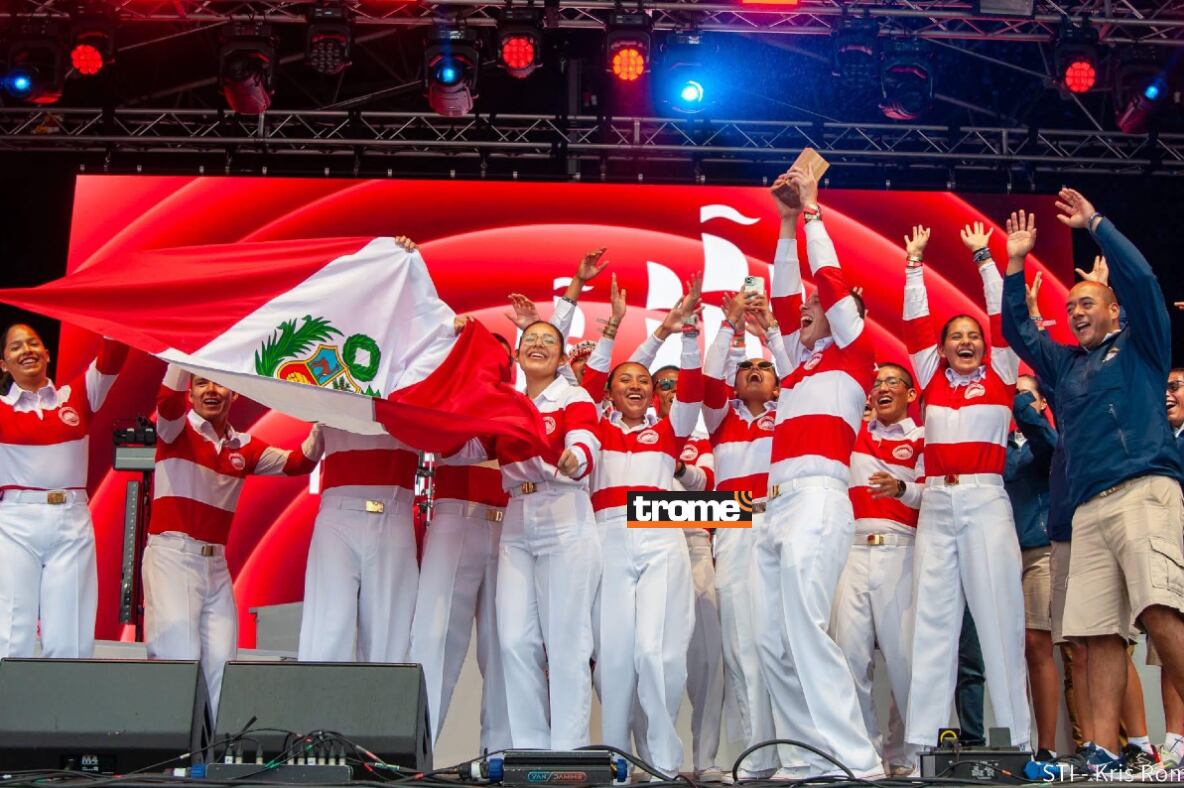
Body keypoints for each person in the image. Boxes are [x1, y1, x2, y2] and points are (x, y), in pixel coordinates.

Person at [1001, 190, 1184, 774]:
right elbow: (1019, 332)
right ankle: (1102, 753)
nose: (1076, 311)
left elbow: (1144, 280)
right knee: (1095, 635)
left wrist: (1097, 225)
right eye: (1071, 306)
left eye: (1087, 303)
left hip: (1142, 491)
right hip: (1085, 510)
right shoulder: (1067, 365)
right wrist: (1012, 264)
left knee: (1159, 611)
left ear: (1114, 312)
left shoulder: (1143, 347)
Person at [760, 165, 882, 779]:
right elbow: (786, 294)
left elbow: (829, 283)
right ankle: (804, 758)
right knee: (770, 641)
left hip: (818, 498)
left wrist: (811, 209)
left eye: (819, 306)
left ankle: (857, 763)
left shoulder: (857, 354)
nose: (806, 307)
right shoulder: (799, 364)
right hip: (774, 505)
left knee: (806, 629)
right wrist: (784, 224)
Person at [901, 221, 1030, 752]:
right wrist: (913, 266)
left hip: (984, 500)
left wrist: (984, 258)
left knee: (999, 615)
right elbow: (914, 323)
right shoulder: (929, 377)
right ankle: (926, 743)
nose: (966, 342)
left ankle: (1018, 740)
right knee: (933, 619)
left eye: (972, 336)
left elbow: (1002, 319)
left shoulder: (1001, 369)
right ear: (943, 348)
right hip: (935, 502)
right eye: (956, 337)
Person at [446, 319, 602, 750]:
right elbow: (468, 449)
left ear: (561, 355)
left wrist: (576, 457)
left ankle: (567, 751)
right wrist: (427, 423)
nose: (537, 345)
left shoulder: (574, 396)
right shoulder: (507, 405)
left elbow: (587, 439)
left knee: (567, 640)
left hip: (564, 510)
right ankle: (531, 750)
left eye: (548, 341)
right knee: (514, 640)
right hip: (517, 516)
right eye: (529, 340)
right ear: (516, 355)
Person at [146, 365, 322, 719]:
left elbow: (300, 462)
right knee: (179, 658)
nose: (211, 390)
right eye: (200, 383)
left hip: (215, 566)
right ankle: (172, 760)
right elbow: (166, 400)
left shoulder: (244, 446)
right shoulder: (174, 429)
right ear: (191, 393)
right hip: (173, 556)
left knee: (222, 667)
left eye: (220, 383)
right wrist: (185, 350)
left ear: (235, 393)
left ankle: (206, 764)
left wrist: (327, 418)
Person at [588, 273, 703, 777]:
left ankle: (662, 763)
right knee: (613, 661)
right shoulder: (593, 425)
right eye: (625, 380)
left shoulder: (670, 429)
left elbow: (695, 390)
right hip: (606, 539)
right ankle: (616, 760)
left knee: (657, 655)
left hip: (658, 534)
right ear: (611, 393)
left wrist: (689, 330)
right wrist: (618, 327)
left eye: (645, 382)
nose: (636, 386)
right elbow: (587, 381)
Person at [298, 236, 429, 667]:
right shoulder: (327, 360)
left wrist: (413, 264)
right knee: (327, 631)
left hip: (393, 515)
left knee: (389, 640)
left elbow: (433, 319)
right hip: (338, 513)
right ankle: (313, 733)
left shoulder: (416, 365)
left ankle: (379, 733)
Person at [409, 337, 516, 752]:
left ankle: (502, 754)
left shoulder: (516, 402)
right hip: (456, 517)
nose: (495, 364)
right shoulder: (451, 397)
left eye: (502, 357)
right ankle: (416, 750)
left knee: (507, 645)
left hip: (507, 524)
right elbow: (442, 444)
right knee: (435, 639)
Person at [0, 324, 126, 659]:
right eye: (15, 347)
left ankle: (62, 710)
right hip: (13, 524)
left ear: (47, 354)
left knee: (71, 636)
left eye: (33, 343)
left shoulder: (78, 396)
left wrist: (113, 304)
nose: (26, 350)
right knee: (10, 632)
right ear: (3, 363)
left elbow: (114, 354)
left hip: (71, 523)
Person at [702, 291, 784, 781]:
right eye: (746, 367)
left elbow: (800, 373)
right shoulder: (721, 418)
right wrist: (729, 325)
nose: (755, 371)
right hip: (732, 529)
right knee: (741, 646)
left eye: (764, 368)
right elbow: (707, 382)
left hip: (779, 527)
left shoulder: (790, 413)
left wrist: (771, 329)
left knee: (782, 642)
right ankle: (757, 758)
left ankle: (800, 752)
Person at [831, 362, 925, 777]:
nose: (882, 388)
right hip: (850, 551)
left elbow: (932, 496)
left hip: (900, 549)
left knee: (905, 661)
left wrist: (901, 489)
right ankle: (862, 755)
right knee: (849, 657)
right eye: (877, 383)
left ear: (911, 394)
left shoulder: (924, 437)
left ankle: (909, 755)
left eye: (892, 382)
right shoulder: (851, 435)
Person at [1003, 374, 1058, 759]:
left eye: (1027, 394)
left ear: (1041, 403)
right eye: (1014, 394)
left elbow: (1053, 451)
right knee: (1008, 649)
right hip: (1003, 553)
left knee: (1039, 645)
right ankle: (1019, 741)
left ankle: (1048, 747)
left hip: (1040, 551)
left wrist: (1030, 413)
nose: (1018, 401)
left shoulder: (1050, 436)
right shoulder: (998, 444)